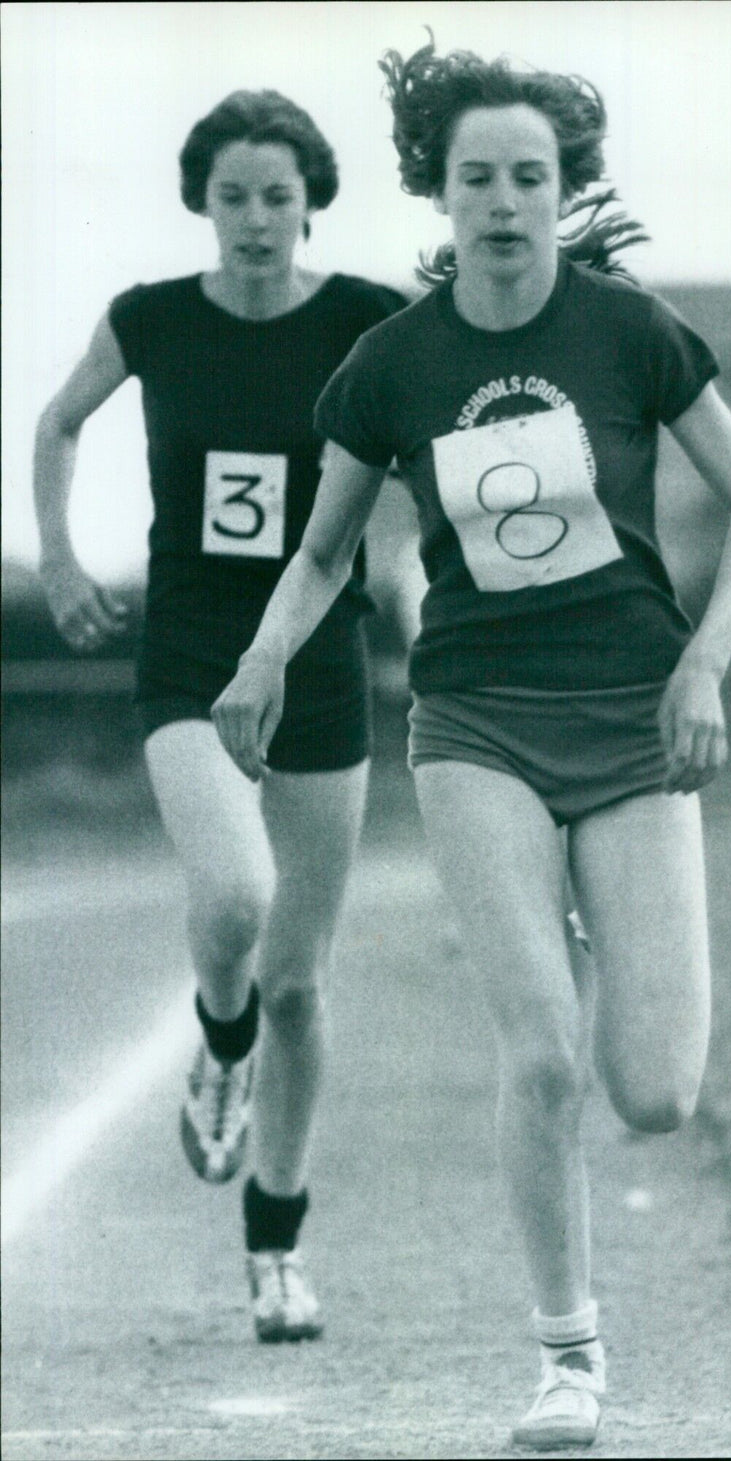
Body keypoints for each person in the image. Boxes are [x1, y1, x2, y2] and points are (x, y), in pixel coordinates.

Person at [211, 40, 731, 1451]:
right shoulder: (393, 365)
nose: (507, 200)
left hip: (637, 716)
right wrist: (266, 650)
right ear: (441, 191)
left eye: (532, 175)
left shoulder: (630, 331)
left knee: (654, 1095)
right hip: (474, 725)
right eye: (479, 177)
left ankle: (598, 926)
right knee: (541, 1057)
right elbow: (328, 546)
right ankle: (569, 1362)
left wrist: (705, 663)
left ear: (562, 185)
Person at [33, 89, 405, 1344]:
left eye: (278, 195)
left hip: (320, 662)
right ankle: (217, 1037)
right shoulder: (149, 318)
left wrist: (419, 577)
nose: (257, 219)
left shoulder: (366, 320)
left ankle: (276, 1253)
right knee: (236, 903)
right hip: (190, 654)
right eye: (234, 195)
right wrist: (64, 563)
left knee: (302, 985)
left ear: (312, 200)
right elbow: (56, 424)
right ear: (204, 201)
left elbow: (437, 446)